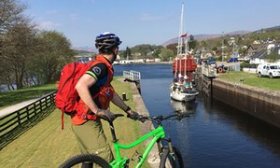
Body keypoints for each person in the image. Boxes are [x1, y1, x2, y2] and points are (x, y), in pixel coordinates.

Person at [72, 32, 141, 166]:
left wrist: (128, 110)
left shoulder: (104, 67)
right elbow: (81, 85)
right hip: (86, 121)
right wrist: (97, 110)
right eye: (117, 48)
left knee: (88, 161)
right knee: (106, 162)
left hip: (82, 121)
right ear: (114, 49)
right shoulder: (101, 67)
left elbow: (110, 93)